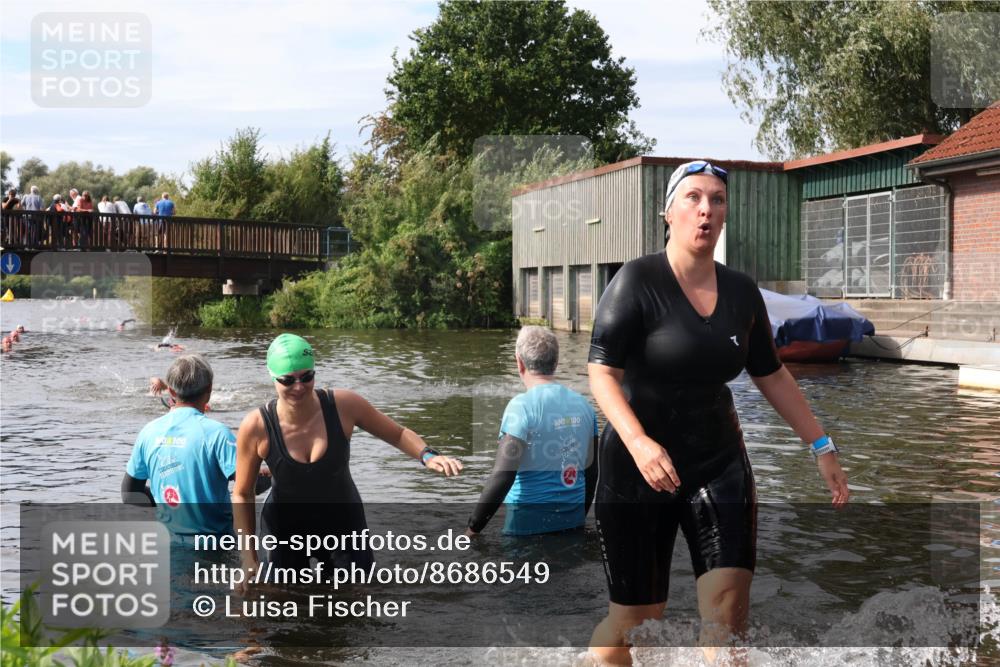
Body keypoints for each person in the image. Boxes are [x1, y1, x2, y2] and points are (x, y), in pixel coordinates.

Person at [586, 160, 849, 666]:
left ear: (725, 214)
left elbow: (770, 374)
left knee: (728, 613)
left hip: (718, 461)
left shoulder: (742, 292)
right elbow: (601, 374)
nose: (706, 209)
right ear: (668, 212)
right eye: (693, 198)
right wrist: (639, 442)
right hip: (638, 468)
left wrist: (821, 446)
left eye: (717, 200)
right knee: (635, 623)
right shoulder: (635, 281)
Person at [232, 333, 463, 591]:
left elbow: (397, 433)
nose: (299, 386)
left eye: (307, 377)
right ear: (273, 377)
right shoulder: (257, 426)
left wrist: (428, 455)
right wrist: (248, 558)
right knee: (284, 607)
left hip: (342, 522)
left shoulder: (342, 405)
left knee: (356, 602)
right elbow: (242, 494)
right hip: (285, 528)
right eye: (288, 380)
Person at [466, 326, 597, 536]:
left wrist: (473, 529)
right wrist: (578, 518)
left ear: (519, 362)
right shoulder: (585, 406)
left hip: (524, 529)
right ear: (556, 362)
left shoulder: (521, 407)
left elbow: (503, 475)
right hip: (572, 526)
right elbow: (591, 473)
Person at [123, 355, 266, 538]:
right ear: (209, 390)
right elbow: (250, 486)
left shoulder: (148, 432)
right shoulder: (218, 434)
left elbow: (129, 495)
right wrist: (274, 474)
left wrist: (165, 501)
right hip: (214, 545)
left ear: (172, 393)